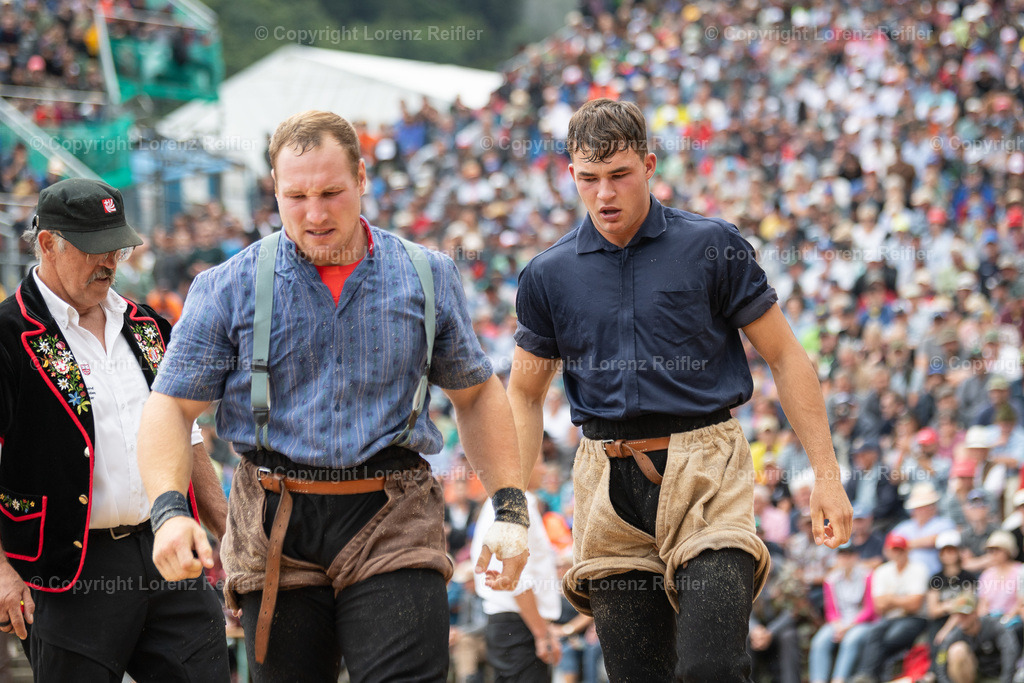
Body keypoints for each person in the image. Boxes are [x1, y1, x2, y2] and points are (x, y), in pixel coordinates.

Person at [136, 110, 528, 681]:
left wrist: (511, 508)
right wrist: (169, 511)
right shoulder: (226, 285)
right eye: (296, 196)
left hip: (392, 513)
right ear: (274, 188)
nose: (315, 214)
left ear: (363, 178)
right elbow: (170, 406)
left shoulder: (427, 275)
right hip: (275, 521)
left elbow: (475, 395)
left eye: (331, 192)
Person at [505, 98, 852, 681]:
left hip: (705, 466)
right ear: (571, 176)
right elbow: (522, 395)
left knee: (712, 668)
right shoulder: (548, 273)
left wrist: (828, 473)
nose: (605, 195)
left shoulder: (712, 245)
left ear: (649, 164)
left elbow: (786, 356)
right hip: (604, 478)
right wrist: (512, 508)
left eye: (619, 175)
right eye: (589, 180)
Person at [0, 178, 230, 681]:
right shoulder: (8, 335)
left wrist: (229, 535)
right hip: (68, 571)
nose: (110, 261)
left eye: (118, 247)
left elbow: (187, 440)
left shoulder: (149, 326)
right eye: (96, 248)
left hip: (168, 551)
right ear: (48, 244)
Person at [471, 457, 562, 682]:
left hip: (515, 624)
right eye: (538, 462)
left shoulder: (499, 503)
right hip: (520, 626)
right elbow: (517, 579)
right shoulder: (518, 503)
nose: (543, 469)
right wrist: (541, 634)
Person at [850, 534, 929, 683]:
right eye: (894, 550)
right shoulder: (882, 571)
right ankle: (868, 675)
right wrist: (903, 600)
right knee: (874, 632)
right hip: (890, 618)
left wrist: (890, 598)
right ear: (887, 551)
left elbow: (914, 605)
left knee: (891, 637)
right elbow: (879, 606)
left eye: (901, 550)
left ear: (907, 551)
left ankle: (869, 675)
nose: (898, 554)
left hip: (915, 618)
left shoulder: (918, 569)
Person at [808, 541, 875, 683]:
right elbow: (831, 610)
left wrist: (848, 626)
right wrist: (839, 626)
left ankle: (839, 679)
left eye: (849, 555)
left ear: (855, 556)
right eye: (842, 555)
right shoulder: (831, 579)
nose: (845, 559)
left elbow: (869, 609)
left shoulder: (867, 576)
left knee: (851, 640)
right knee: (819, 641)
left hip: (861, 622)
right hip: (839, 622)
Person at [933, 593, 1019, 683]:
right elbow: (941, 661)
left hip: (998, 675)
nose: (962, 618)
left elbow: (1010, 651)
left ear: (975, 613)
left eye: (965, 614)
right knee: (957, 650)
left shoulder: (993, 626)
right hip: (973, 676)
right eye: (958, 615)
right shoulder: (954, 636)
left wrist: (1006, 680)